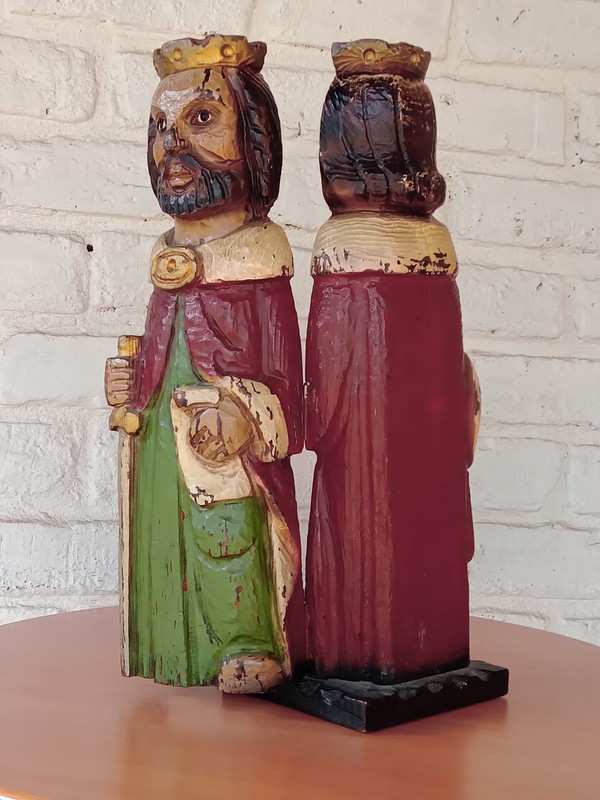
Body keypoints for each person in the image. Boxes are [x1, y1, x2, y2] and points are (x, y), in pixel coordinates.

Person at [105, 35, 305, 693]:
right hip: (167, 450)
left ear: (255, 139)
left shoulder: (260, 263)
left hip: (228, 460)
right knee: (169, 542)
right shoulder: (168, 258)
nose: (172, 146)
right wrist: (131, 387)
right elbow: (164, 355)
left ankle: (251, 642)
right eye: (160, 128)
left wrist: (248, 413)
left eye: (200, 119)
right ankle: (173, 644)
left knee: (229, 542)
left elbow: (290, 388)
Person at [305, 40, 480, 684]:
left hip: (404, 432)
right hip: (383, 437)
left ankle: (391, 654)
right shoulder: (384, 244)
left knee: (393, 527)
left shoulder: (372, 245)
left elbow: (332, 385)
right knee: (378, 526)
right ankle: (382, 651)